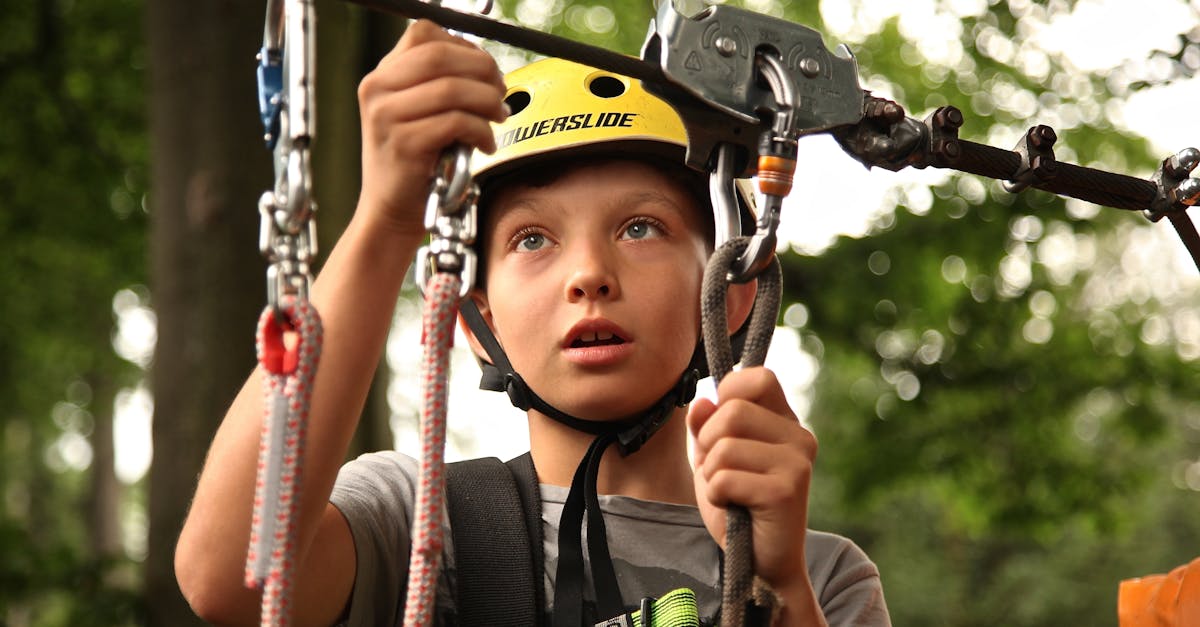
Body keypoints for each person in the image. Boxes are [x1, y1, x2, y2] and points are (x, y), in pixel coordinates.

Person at [174, 20, 890, 627]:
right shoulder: (421, 525)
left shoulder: (825, 576)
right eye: (532, 239)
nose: (589, 273)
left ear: (729, 294)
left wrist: (779, 588)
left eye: (641, 227)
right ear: (474, 318)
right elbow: (233, 576)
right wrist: (386, 219)